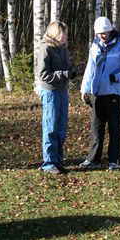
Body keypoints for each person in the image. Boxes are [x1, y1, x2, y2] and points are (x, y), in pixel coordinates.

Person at [79, 17, 120, 171]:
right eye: (99, 33)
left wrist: (116, 77)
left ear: (110, 30)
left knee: (115, 128)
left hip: (114, 94)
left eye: (104, 32)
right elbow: (90, 68)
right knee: (96, 127)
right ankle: (93, 159)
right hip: (98, 94)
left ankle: (114, 160)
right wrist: (85, 88)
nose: (102, 36)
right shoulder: (95, 46)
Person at [38, 20, 81, 174]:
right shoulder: (46, 48)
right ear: (57, 34)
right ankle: (48, 163)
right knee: (50, 127)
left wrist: (72, 69)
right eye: (65, 35)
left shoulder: (63, 49)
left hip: (62, 91)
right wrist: (64, 74)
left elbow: (65, 67)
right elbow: (43, 74)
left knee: (61, 128)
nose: (67, 38)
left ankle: (57, 160)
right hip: (50, 92)